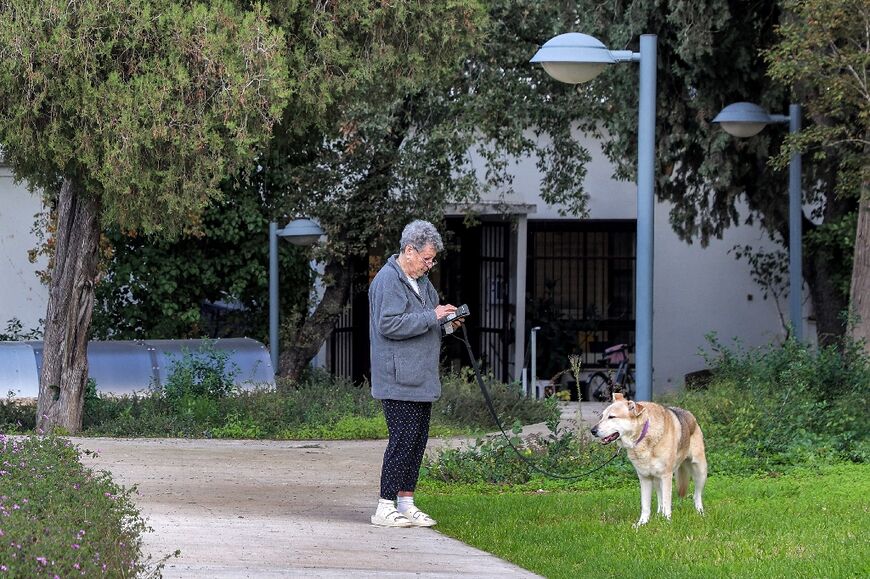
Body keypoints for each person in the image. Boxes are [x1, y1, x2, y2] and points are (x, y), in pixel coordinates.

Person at [368, 219, 461, 528]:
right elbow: (389, 324)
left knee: (417, 441)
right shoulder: (388, 281)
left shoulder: (422, 283)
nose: (429, 265)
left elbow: (426, 322)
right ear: (409, 251)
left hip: (420, 377)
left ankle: (406, 502)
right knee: (402, 441)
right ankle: (385, 505)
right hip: (397, 379)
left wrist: (447, 322)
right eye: (426, 258)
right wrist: (432, 316)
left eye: (432, 259)